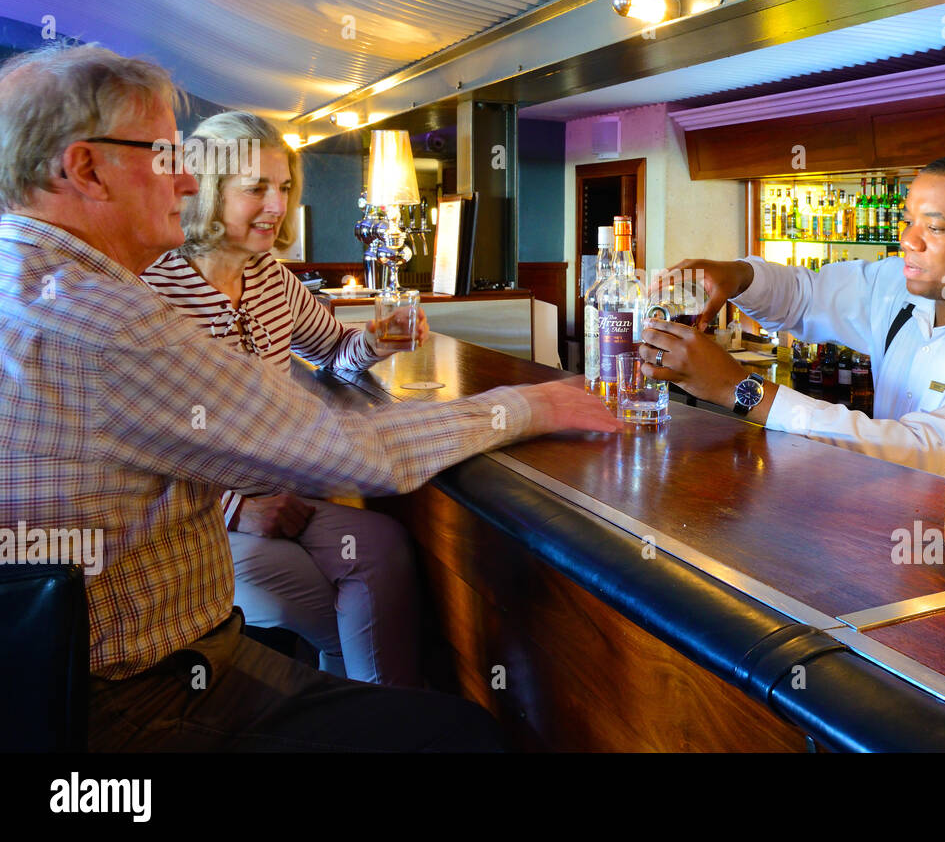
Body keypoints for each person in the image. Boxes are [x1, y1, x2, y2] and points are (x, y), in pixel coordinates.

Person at [0, 43, 619, 751]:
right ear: (84, 168)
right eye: (169, 156)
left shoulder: (36, 280)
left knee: (375, 570)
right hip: (136, 701)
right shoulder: (104, 318)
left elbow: (324, 360)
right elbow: (357, 448)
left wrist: (377, 344)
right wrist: (534, 404)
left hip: (93, 677)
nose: (183, 183)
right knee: (459, 735)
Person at [141, 111, 427, 687]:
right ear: (206, 189)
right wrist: (236, 509)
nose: (277, 206)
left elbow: (332, 353)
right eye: (256, 189)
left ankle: (363, 717)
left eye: (285, 188)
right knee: (346, 608)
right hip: (188, 520)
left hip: (277, 496)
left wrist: (375, 342)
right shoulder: (152, 285)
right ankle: (367, 714)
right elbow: (140, 436)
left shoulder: (270, 276)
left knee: (384, 545)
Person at [638, 149, 945, 476]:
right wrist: (737, 277)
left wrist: (740, 388)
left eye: (935, 228)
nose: (909, 241)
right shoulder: (896, 287)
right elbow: (804, 296)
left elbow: (928, 451)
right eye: (908, 222)